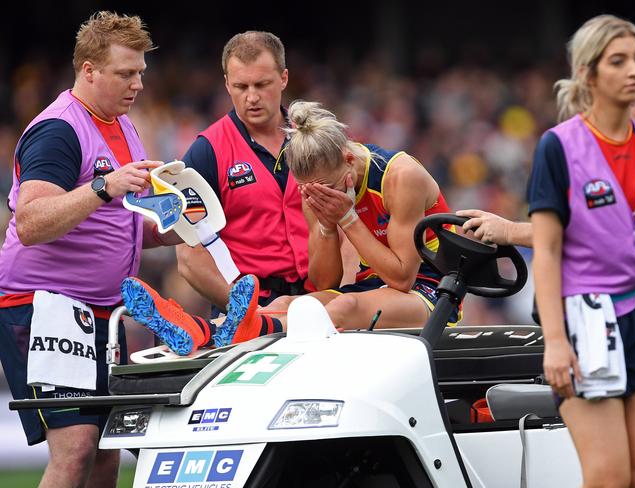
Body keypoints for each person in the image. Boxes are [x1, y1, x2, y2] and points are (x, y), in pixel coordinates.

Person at [0, 12, 182, 488]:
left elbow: (119, 224)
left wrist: (186, 221)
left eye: (141, 71)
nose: (138, 83)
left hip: (104, 310)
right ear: (88, 71)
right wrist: (105, 185)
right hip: (46, 306)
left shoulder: (122, 125)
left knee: (106, 452)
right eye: (126, 73)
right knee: (77, 446)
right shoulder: (59, 129)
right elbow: (33, 221)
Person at [122, 99, 462, 347]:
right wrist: (327, 228)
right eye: (308, 191)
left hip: (431, 288)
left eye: (325, 189)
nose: (317, 197)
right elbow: (323, 280)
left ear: (348, 158)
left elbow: (402, 277)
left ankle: (232, 330)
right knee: (285, 305)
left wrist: (347, 217)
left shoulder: (400, 177)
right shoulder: (315, 184)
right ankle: (198, 329)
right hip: (373, 286)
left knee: (342, 306)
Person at [529, 15, 635, 487]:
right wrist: (556, 342)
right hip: (586, 321)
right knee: (609, 476)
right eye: (618, 62)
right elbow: (547, 248)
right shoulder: (558, 147)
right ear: (588, 73)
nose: (634, 71)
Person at [174, 31, 357, 315]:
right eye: (241, 86)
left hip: (318, 303)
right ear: (226, 84)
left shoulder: (318, 139)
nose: (252, 97)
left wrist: (343, 297)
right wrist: (247, 312)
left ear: (284, 78)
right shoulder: (207, 152)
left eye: (262, 84)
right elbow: (188, 256)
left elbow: (352, 224)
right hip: (247, 306)